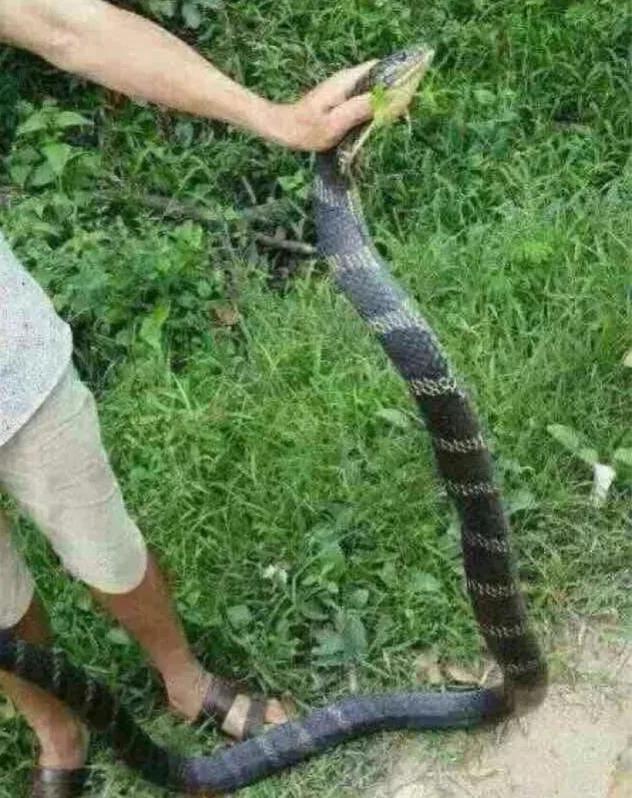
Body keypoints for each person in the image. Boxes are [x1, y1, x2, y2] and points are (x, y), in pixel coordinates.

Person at [0, 2, 377, 795]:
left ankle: (184, 680)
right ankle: (60, 740)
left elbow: (70, 25)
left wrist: (273, 118)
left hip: (8, 360)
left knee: (103, 538)